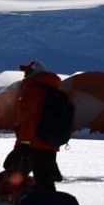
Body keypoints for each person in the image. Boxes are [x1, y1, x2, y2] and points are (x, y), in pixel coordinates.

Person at [14, 60, 63, 191]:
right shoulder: (52, 89)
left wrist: (24, 142)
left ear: (34, 73)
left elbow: (28, 120)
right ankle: (47, 204)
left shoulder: (33, 91)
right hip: (50, 141)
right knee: (45, 179)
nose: (25, 75)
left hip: (35, 141)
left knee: (22, 172)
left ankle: (27, 201)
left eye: (27, 72)